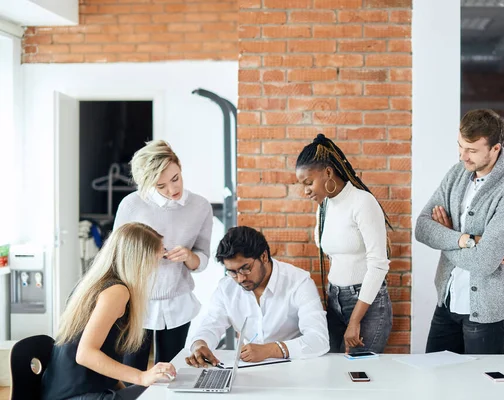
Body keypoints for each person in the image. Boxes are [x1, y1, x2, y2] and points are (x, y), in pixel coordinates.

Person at [415, 109, 504, 355]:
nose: (463, 156)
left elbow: (485, 262)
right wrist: (464, 240)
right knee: (435, 384)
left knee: (479, 390)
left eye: (472, 150)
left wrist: (446, 238)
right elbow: (423, 228)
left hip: (485, 312)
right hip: (446, 302)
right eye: (460, 146)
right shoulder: (457, 173)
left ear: (495, 149)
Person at [41, 222, 177, 400]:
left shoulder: (97, 283)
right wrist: (141, 377)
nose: (156, 267)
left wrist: (124, 390)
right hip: (76, 394)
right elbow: (85, 354)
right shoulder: (116, 292)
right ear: (140, 260)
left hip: (75, 389)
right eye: (156, 259)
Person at [113, 140, 213, 370]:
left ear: (179, 167)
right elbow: (116, 257)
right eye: (161, 186)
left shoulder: (200, 207)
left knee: (170, 373)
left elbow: (202, 258)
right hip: (136, 302)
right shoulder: (131, 205)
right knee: (132, 373)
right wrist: (144, 255)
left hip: (178, 303)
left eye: (175, 178)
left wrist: (188, 255)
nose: (172, 190)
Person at [295, 134, 393, 354]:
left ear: (328, 172)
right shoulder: (325, 206)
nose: (306, 191)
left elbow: (378, 265)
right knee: (330, 372)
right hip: (335, 300)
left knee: (357, 377)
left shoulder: (362, 202)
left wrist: (355, 321)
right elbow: (331, 250)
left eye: (309, 183)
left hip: (366, 304)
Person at [185, 226, 329, 367]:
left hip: (295, 366)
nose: (240, 279)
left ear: (264, 256)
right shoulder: (227, 287)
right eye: (232, 272)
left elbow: (318, 339)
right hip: (248, 368)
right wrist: (199, 344)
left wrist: (271, 349)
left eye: (245, 268)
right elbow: (211, 324)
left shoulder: (299, 282)